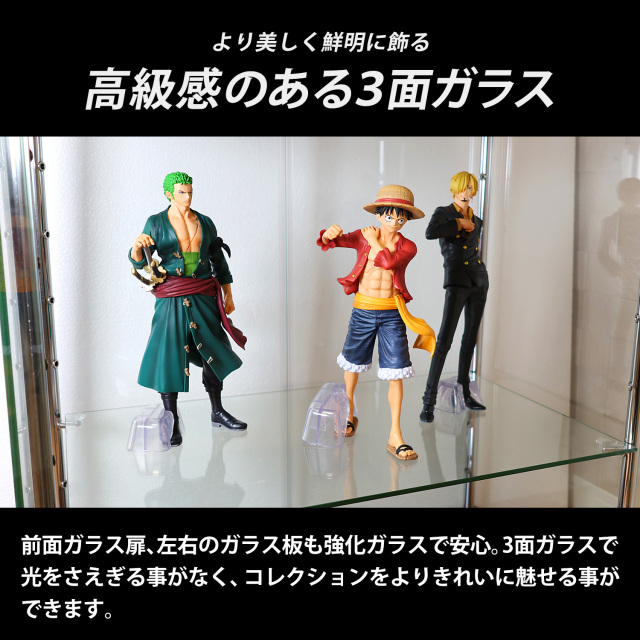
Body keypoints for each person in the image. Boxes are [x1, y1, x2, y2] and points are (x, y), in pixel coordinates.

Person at [318, 184, 436, 460]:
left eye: (401, 218)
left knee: (396, 371)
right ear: (379, 214)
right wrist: (327, 234)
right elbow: (334, 242)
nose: (395, 222)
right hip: (362, 310)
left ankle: (395, 435)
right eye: (389, 216)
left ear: (407, 219)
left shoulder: (408, 246)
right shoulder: (363, 236)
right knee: (352, 363)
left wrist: (374, 240)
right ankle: (348, 414)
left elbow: (388, 262)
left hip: (392, 314)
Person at [129, 171, 246, 446]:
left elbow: (218, 260)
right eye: (182, 192)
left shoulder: (204, 222)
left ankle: (217, 411)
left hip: (204, 293)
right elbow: (141, 262)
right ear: (169, 194)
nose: (188, 196)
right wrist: (136, 249)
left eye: (190, 191)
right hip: (171, 295)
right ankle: (170, 419)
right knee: (169, 354)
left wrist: (228, 293)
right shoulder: (156, 222)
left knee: (213, 349)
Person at [420, 171, 489, 423]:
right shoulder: (444, 213)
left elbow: (473, 250)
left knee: (470, 338)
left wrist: (468, 223)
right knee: (445, 339)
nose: (466, 192)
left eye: (470, 188)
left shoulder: (478, 220)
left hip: (478, 280)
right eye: (463, 187)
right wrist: (459, 223)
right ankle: (428, 401)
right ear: (454, 190)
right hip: (457, 280)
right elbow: (430, 233)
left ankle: (465, 391)